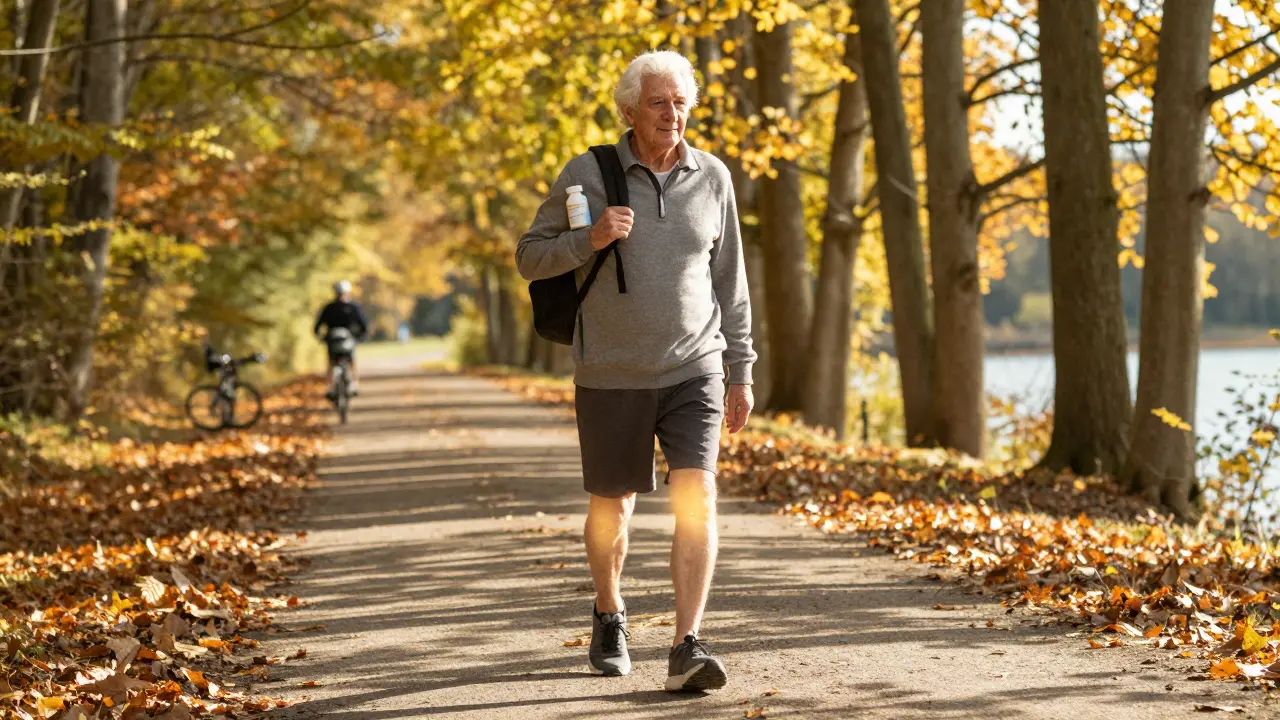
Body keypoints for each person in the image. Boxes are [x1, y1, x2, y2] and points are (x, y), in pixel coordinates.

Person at [516, 50, 756, 691]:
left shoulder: (713, 177)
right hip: (612, 372)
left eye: (681, 102)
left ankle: (687, 644)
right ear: (629, 110)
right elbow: (528, 257)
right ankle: (609, 610)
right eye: (658, 102)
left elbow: (730, 280)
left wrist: (740, 368)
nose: (671, 114)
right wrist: (588, 239)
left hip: (694, 367)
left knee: (697, 496)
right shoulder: (586, 174)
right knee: (612, 509)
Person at [314, 280, 369, 396]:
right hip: (349, 341)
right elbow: (363, 325)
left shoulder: (328, 307)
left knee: (331, 363)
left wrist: (321, 337)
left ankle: (329, 388)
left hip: (332, 342)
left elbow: (317, 326)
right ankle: (354, 384)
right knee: (352, 361)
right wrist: (361, 336)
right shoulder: (353, 307)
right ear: (347, 292)